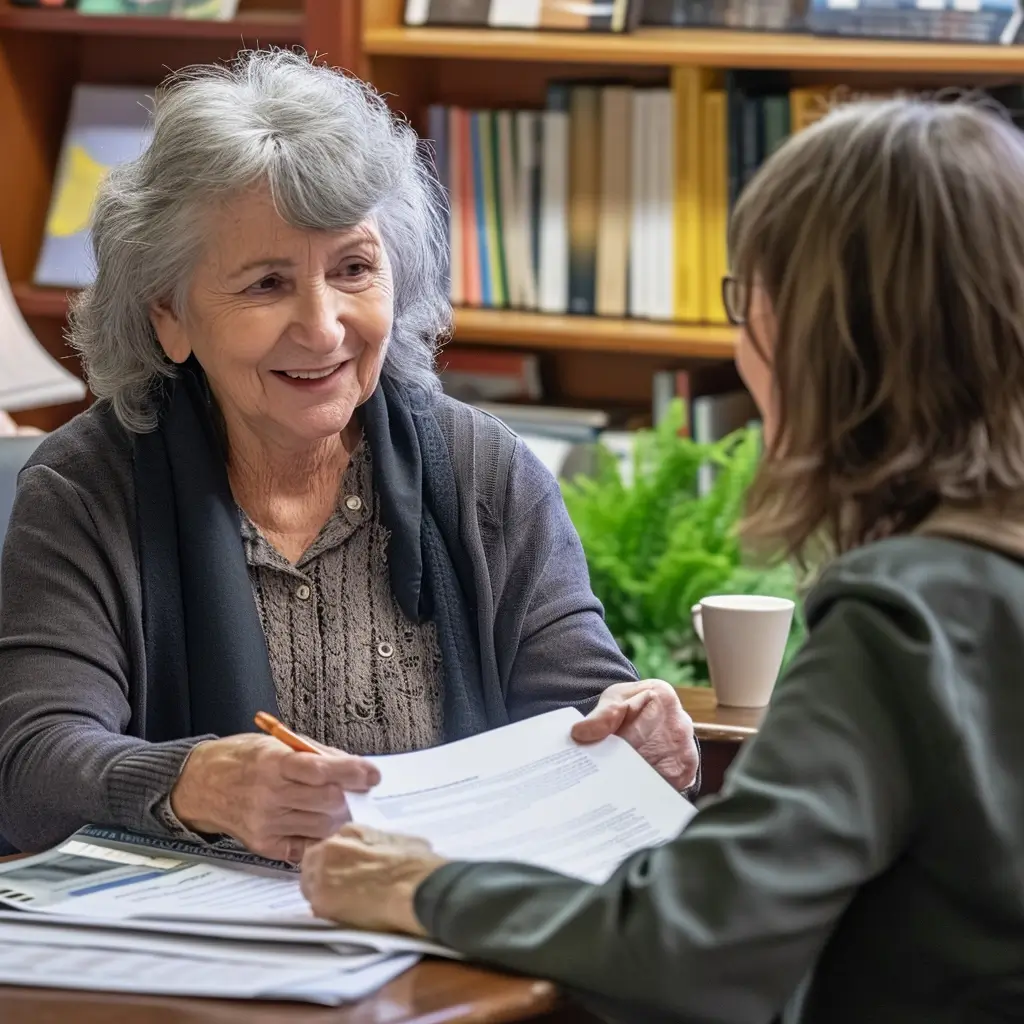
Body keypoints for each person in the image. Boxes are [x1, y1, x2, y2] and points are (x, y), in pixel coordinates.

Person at [299, 96, 1024, 1023]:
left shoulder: (905, 617)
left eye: (747, 298)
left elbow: (692, 945)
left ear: (823, 337)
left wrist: (425, 887)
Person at [0, 50, 699, 858]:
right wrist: (197, 784)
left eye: (354, 268)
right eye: (266, 284)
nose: (325, 327)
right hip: (203, 964)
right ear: (170, 317)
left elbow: (581, 709)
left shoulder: (484, 469)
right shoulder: (89, 486)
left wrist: (635, 728)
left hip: (451, 938)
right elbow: (26, 767)